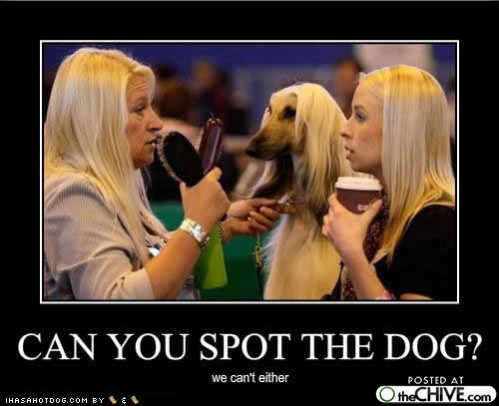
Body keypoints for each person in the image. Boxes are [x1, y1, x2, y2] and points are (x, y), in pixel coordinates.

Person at [43, 48, 285, 300]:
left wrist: (221, 226)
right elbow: (117, 296)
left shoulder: (108, 184)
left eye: (152, 106)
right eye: (140, 109)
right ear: (97, 120)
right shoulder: (73, 192)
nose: (157, 123)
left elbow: (148, 262)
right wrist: (197, 223)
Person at [322, 65, 456, 301]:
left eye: (360, 116)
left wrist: (353, 254)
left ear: (401, 130)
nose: (344, 129)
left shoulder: (439, 222)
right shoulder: (380, 212)